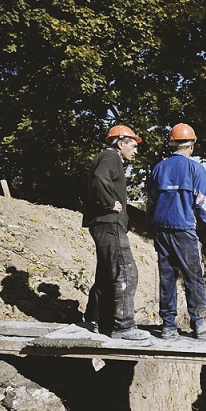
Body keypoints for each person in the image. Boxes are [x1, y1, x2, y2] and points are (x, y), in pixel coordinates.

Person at [147, 123, 206, 340]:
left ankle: (168, 326)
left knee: (167, 278)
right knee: (193, 277)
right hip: (184, 231)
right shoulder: (195, 169)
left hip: (162, 231)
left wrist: (153, 223)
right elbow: (204, 204)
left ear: (172, 143)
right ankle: (198, 324)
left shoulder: (158, 168)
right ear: (192, 144)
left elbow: (150, 202)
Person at [82, 125, 150, 340]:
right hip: (109, 222)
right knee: (126, 272)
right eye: (132, 144)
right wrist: (110, 203)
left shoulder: (106, 157)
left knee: (106, 273)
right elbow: (99, 179)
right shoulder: (111, 158)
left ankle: (97, 320)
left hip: (103, 223)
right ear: (120, 143)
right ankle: (123, 326)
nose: (135, 150)